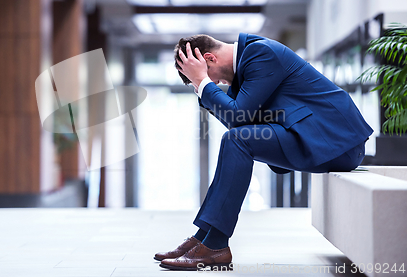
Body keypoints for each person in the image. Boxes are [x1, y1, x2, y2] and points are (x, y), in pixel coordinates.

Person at [155, 33, 373, 271]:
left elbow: (236, 117)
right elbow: (236, 121)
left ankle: (215, 244)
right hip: (313, 136)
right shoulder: (245, 71)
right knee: (236, 139)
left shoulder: (261, 54)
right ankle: (204, 238)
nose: (215, 84)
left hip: (336, 141)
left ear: (210, 58)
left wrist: (204, 84)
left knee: (236, 140)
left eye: (209, 76)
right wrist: (202, 85)